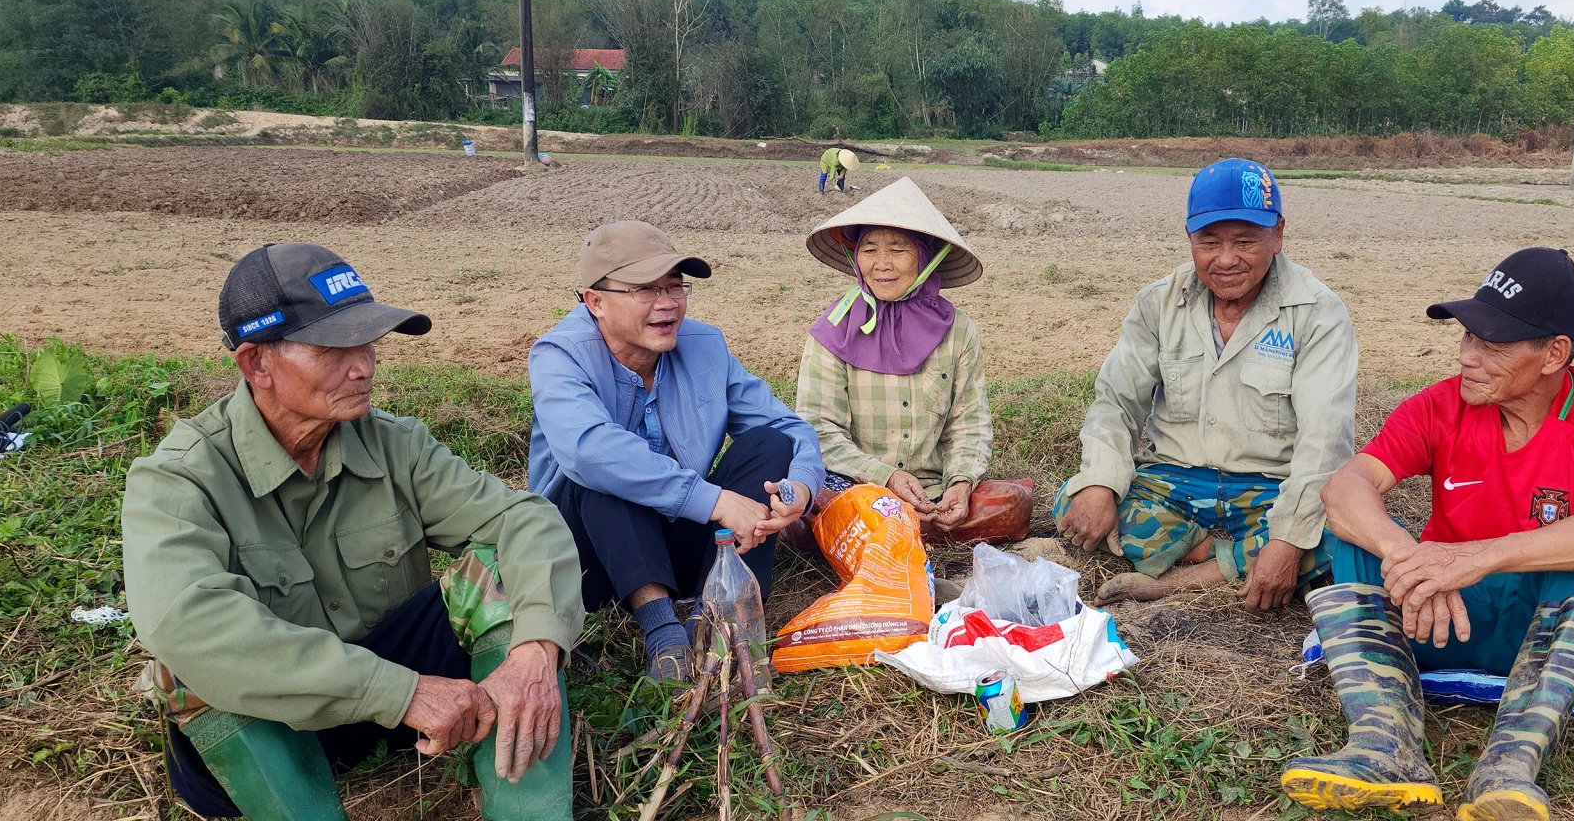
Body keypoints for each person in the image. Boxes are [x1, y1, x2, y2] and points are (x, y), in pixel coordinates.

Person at [122, 244, 662, 821]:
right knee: (188, 665)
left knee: (500, 569)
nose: (364, 366)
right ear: (256, 363)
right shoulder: (178, 480)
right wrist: (401, 692)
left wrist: (534, 653)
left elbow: (521, 519)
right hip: (280, 730)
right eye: (334, 348)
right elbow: (188, 622)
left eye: (369, 343)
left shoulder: (391, 442)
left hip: (402, 705)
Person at [1283, 247, 1574, 821]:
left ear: (1554, 354)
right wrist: (1408, 556)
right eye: (1467, 337)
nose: (1467, 356)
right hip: (1445, 619)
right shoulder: (1440, 405)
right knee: (1352, 532)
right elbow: (1346, 487)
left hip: (1559, 633)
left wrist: (1476, 556)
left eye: (1493, 344)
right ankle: (1384, 746)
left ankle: (1510, 767)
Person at [1054, 158, 1358, 611]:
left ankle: (1178, 579)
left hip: (1270, 488)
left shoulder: (1318, 312)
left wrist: (1288, 540)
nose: (1226, 259)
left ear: (1277, 235)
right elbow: (1116, 402)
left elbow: (1325, 440)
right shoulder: (1159, 302)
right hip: (1173, 482)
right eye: (1210, 242)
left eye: (1245, 241)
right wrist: (1100, 484)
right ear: (1190, 238)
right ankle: (1225, 560)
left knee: (1345, 527)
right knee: (1075, 498)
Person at [528, 221, 825, 683]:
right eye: (645, 289)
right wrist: (716, 500)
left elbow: (785, 427)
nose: (667, 303)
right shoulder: (559, 354)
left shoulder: (704, 346)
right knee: (602, 468)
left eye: (674, 286)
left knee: (770, 444)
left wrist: (800, 487)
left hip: (678, 541)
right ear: (595, 301)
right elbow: (588, 450)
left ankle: (714, 614)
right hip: (591, 555)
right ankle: (663, 631)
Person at [794, 177, 1033, 545]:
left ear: (925, 256)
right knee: (809, 502)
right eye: (869, 249)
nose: (881, 264)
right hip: (858, 487)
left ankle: (899, 531)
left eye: (898, 249)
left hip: (932, 492)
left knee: (1013, 502)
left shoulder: (958, 330)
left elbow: (969, 422)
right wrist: (885, 476)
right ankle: (905, 530)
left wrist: (960, 484)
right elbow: (818, 430)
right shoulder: (833, 330)